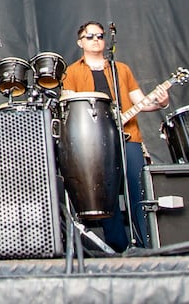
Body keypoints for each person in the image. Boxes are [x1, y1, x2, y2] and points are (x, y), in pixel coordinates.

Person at [60, 20, 168, 250]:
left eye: (99, 35)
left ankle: (147, 242)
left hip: (128, 135)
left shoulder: (121, 69)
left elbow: (140, 102)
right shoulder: (72, 71)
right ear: (80, 42)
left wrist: (161, 101)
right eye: (90, 36)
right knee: (105, 193)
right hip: (96, 143)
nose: (96, 39)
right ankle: (117, 245)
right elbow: (67, 103)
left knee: (139, 187)